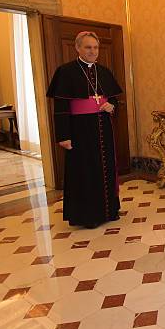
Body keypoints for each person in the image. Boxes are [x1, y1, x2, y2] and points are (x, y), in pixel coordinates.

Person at [47, 31, 123, 229]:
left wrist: (111, 105)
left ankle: (109, 211)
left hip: (103, 128)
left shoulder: (104, 72)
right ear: (78, 48)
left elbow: (114, 98)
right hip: (80, 130)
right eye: (88, 47)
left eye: (95, 47)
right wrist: (63, 136)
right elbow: (61, 108)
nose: (93, 51)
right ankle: (87, 216)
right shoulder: (65, 72)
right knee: (85, 171)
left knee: (105, 168)